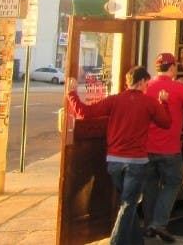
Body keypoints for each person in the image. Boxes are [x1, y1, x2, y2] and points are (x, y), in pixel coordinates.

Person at [66, 66, 170, 245]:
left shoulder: (114, 100)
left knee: (126, 202)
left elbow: (86, 112)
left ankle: (137, 241)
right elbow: (165, 123)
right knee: (128, 204)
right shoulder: (149, 103)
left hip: (114, 160)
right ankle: (116, 242)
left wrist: (72, 94)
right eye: (146, 82)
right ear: (142, 81)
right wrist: (164, 103)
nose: (147, 86)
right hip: (137, 161)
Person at [143, 52, 183, 243]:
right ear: (173, 67)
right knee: (173, 184)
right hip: (170, 148)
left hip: (147, 147)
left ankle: (149, 225)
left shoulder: (146, 87)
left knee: (150, 186)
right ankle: (159, 223)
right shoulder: (179, 88)